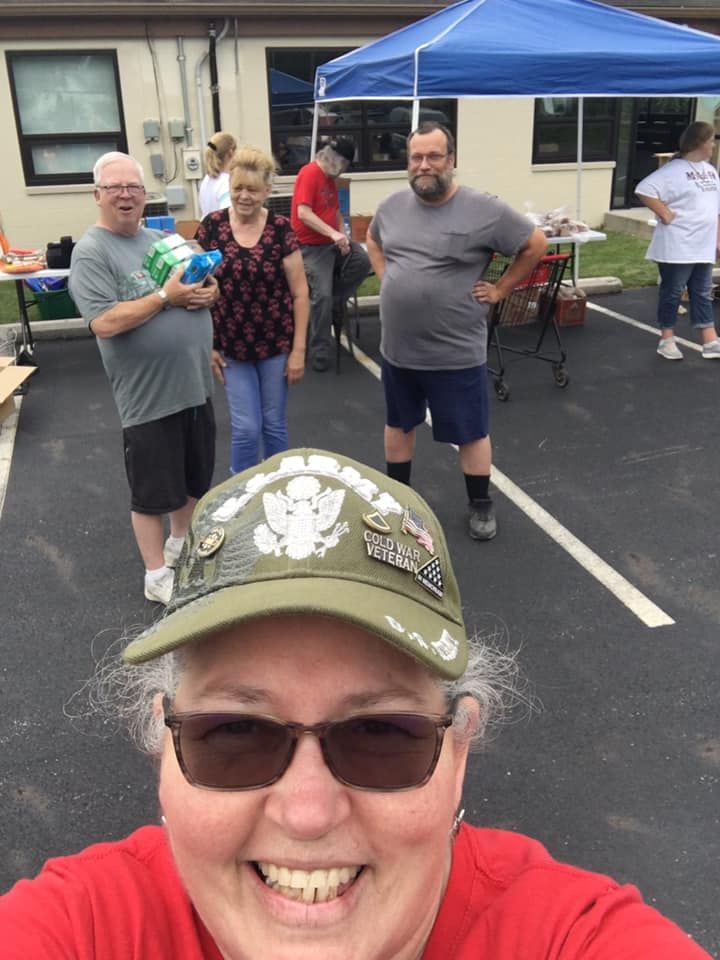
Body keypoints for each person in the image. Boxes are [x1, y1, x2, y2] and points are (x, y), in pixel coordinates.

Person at [0, 447, 711, 960]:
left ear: (456, 758)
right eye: (234, 734)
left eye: (380, 733)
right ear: (165, 751)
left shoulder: (568, 936)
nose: (307, 813)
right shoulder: (82, 929)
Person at [366, 122, 547, 541]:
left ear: (452, 160)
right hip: (398, 350)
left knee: (470, 432)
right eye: (416, 157)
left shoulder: (485, 210)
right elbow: (374, 241)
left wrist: (501, 288)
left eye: (433, 156)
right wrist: (386, 277)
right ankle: (400, 500)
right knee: (399, 424)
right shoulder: (391, 207)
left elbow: (534, 244)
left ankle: (481, 504)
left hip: (455, 352)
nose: (423, 165)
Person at [69, 151, 218, 606]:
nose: (126, 195)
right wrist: (165, 297)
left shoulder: (162, 237)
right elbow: (105, 323)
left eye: (133, 186)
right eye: (115, 188)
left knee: (193, 481)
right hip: (148, 398)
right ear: (98, 195)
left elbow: (204, 281)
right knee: (152, 492)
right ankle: (156, 576)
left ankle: (179, 547)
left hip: (193, 387)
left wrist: (209, 291)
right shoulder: (92, 251)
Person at [196, 146, 309, 474]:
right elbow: (193, 288)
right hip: (230, 347)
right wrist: (208, 345)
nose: (244, 196)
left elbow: (301, 293)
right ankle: (241, 496)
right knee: (246, 428)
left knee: (273, 425)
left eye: (252, 190)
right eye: (237, 188)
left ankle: (279, 487)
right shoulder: (212, 228)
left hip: (275, 345)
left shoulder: (281, 230)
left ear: (267, 191)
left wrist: (298, 350)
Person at [635, 120, 720, 361]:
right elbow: (644, 188)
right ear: (700, 143)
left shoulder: (710, 170)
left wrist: (717, 238)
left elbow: (716, 207)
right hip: (678, 244)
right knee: (672, 292)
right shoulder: (672, 171)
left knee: (702, 292)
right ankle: (667, 339)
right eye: (711, 140)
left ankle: (710, 340)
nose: (713, 145)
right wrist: (665, 213)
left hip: (702, 244)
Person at [291, 137, 370, 372]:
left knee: (362, 261)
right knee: (321, 296)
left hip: (330, 241)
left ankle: (336, 301)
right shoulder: (309, 173)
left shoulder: (329, 179)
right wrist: (333, 235)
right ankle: (320, 349)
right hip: (310, 247)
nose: (345, 169)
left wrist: (342, 235)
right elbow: (303, 213)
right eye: (345, 164)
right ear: (340, 161)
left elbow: (334, 211)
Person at [198, 132, 237, 219]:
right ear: (231, 152)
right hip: (220, 230)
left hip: (206, 229)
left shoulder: (207, 180)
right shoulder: (227, 183)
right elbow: (227, 215)